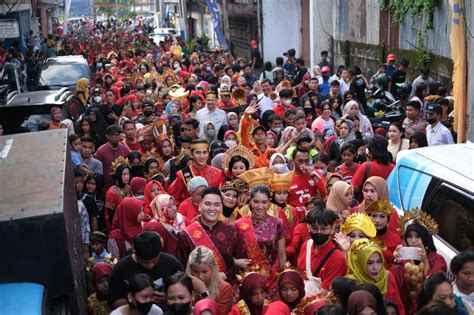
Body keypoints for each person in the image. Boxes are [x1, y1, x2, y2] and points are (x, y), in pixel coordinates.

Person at [177, 187, 247, 281]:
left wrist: (226, 274)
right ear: (200, 206)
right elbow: (182, 269)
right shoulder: (186, 235)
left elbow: (243, 263)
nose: (212, 208)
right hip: (200, 290)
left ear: (221, 207)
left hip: (228, 289)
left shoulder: (231, 230)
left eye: (217, 205)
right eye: (207, 204)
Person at [108, 231, 183, 310]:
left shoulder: (172, 264)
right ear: (135, 253)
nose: (151, 265)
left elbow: (185, 291)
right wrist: (138, 301)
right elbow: (114, 303)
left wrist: (169, 298)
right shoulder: (121, 269)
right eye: (145, 262)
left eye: (155, 261)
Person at [392, 209, 447, 314]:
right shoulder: (404, 256)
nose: (413, 241)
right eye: (409, 236)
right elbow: (393, 283)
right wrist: (396, 263)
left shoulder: (438, 260)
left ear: (425, 238)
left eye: (417, 236)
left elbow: (434, 287)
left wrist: (425, 261)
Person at [235, 185, 287, 296]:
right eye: (256, 202)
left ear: (269, 202)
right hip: (248, 277)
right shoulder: (239, 224)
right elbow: (232, 252)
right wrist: (236, 262)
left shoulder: (277, 223)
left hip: (271, 277)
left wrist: (283, 277)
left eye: (264, 202)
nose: (260, 206)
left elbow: (282, 254)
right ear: (250, 201)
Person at [345, 239, 405, 315]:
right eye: (370, 263)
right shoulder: (350, 282)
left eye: (379, 261)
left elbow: (399, 308)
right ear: (360, 263)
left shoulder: (387, 276)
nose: (375, 267)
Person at [296, 209, 348, 294]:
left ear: (332, 229)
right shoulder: (306, 245)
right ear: (308, 227)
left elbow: (325, 292)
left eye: (324, 229)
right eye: (315, 228)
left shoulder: (337, 259)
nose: (319, 232)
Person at [169, 140, 225, 204]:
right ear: (191, 154)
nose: (201, 156)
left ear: (208, 154)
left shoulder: (218, 173)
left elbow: (222, 198)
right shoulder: (182, 174)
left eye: (204, 152)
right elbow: (175, 199)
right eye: (198, 153)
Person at [186, 246, 233, 314]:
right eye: (196, 272)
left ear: (213, 269)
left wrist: (203, 291)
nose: (200, 276)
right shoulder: (186, 285)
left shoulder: (224, 288)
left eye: (204, 272)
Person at [288, 147, 327, 218]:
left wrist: (312, 174)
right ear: (293, 160)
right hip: (294, 218)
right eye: (300, 161)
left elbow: (325, 192)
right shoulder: (287, 178)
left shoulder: (315, 174)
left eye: (306, 161)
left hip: (313, 216)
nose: (304, 164)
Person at [239, 102, 278, 168]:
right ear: (253, 137)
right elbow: (244, 132)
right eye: (257, 134)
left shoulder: (272, 152)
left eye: (262, 134)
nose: (259, 136)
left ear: (266, 136)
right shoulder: (249, 149)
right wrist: (245, 115)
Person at [364, 200, 401, 269]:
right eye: (374, 216)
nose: (377, 220)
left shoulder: (395, 239)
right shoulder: (364, 236)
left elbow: (398, 266)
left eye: (382, 216)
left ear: (388, 220)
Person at [105, 159, 132, 230]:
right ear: (118, 175)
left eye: (128, 173)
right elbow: (110, 214)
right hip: (117, 226)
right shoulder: (111, 192)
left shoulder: (128, 187)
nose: (127, 177)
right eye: (124, 174)